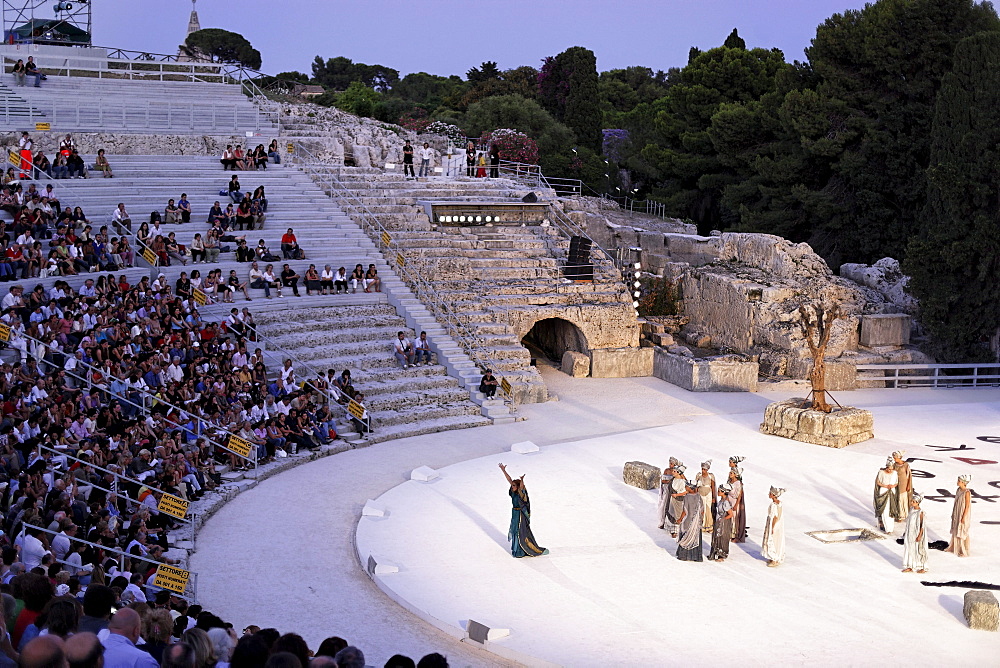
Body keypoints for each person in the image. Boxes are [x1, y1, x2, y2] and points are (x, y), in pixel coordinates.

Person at [498, 462, 548, 558]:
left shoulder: (521, 494)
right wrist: (503, 470)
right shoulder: (513, 493)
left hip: (521, 515)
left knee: (520, 532)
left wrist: (522, 480)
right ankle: (517, 550)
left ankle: (522, 551)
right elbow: (509, 480)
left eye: (514, 485)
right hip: (515, 513)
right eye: (512, 485)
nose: (512, 487)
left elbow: (522, 488)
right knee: (514, 530)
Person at [675, 479, 705, 562]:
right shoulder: (699, 497)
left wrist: (680, 519)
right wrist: (700, 519)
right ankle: (695, 556)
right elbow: (702, 510)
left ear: (690, 488)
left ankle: (684, 556)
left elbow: (685, 511)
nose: (685, 487)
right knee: (695, 537)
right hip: (696, 521)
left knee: (686, 537)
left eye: (687, 486)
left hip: (688, 521)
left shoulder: (687, 497)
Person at [901, 491, 928, 574]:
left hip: (916, 534)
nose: (912, 503)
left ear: (918, 503)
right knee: (909, 548)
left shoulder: (921, 513)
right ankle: (910, 566)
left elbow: (922, 525)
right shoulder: (912, 510)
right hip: (910, 533)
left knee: (918, 549)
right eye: (911, 501)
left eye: (913, 502)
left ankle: (923, 567)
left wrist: (919, 535)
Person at [946, 474, 972, 557]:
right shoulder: (958, 490)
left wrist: (963, 516)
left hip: (962, 513)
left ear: (963, 482)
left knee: (961, 529)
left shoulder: (967, 492)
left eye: (959, 481)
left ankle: (963, 550)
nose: (957, 482)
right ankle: (954, 546)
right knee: (956, 527)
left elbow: (967, 505)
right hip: (957, 511)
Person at [873, 457, 900, 533]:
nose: (890, 470)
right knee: (884, 510)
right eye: (889, 469)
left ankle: (890, 528)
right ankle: (884, 525)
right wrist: (885, 486)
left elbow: (897, 483)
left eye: (891, 469)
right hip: (883, 491)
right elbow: (878, 482)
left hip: (891, 491)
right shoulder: (881, 472)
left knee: (890, 509)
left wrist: (892, 486)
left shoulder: (895, 473)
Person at [708, 483, 733, 561]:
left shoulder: (725, 502)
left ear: (723, 492)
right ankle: (716, 552)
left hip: (724, 523)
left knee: (722, 537)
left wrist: (723, 519)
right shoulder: (722, 500)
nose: (718, 492)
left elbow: (731, 514)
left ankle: (722, 555)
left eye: (719, 491)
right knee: (717, 537)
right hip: (719, 521)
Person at [761, 486, 786, 567]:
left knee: (772, 539)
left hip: (774, 524)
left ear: (773, 495)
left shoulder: (774, 505)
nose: (769, 494)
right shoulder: (779, 503)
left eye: (770, 493)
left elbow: (775, 517)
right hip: (777, 524)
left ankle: (774, 558)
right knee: (775, 539)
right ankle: (772, 557)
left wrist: (772, 527)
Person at [729, 456, 747, 542]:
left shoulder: (738, 482)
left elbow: (739, 493)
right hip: (729, 500)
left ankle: (735, 534)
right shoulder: (730, 480)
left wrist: (737, 504)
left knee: (734, 518)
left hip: (734, 500)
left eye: (731, 462)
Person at [892, 450, 913, 524]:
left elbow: (909, 476)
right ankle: (899, 514)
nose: (894, 459)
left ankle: (904, 514)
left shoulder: (906, 465)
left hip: (904, 484)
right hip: (897, 484)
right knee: (898, 499)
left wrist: (908, 485)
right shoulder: (894, 465)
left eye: (895, 458)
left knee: (903, 499)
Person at [696, 460, 716, 533]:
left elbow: (713, 486)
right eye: (702, 469)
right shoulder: (698, 475)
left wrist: (714, 497)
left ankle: (708, 526)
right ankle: (701, 525)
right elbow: (696, 486)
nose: (703, 470)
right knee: (701, 508)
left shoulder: (711, 476)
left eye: (704, 469)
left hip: (708, 494)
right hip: (700, 493)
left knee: (707, 509)